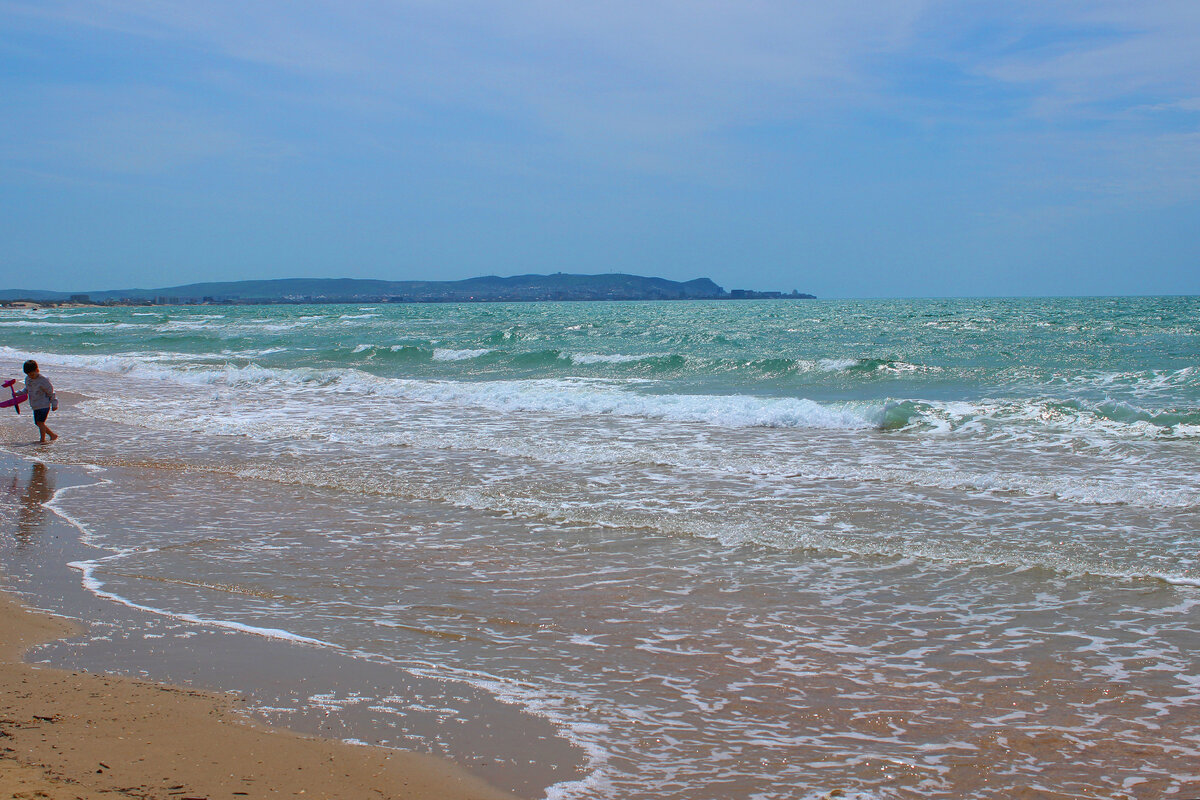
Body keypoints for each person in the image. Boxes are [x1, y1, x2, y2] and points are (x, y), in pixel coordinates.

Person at [22, 360, 58, 443]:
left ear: (37, 370)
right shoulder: (28, 379)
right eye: (28, 374)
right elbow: (26, 389)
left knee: (40, 422)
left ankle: (42, 440)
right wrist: (18, 393)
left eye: (32, 374)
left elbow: (51, 392)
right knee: (38, 423)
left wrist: (54, 403)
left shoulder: (43, 380)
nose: (31, 376)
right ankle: (52, 435)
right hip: (35, 405)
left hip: (44, 405)